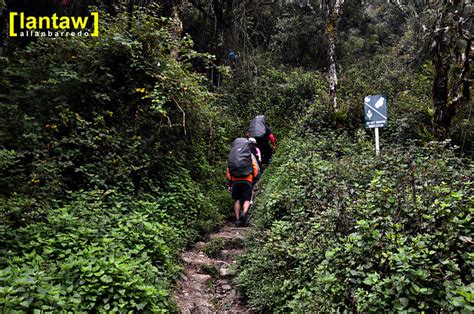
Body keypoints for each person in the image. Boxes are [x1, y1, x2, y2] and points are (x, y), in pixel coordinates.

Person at [226, 139, 260, 227]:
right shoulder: (249, 154)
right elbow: (255, 167)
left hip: (235, 180)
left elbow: (228, 170)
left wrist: (230, 182)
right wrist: (255, 178)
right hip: (247, 179)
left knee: (236, 199)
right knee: (247, 199)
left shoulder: (232, 155)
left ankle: (237, 219)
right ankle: (244, 213)